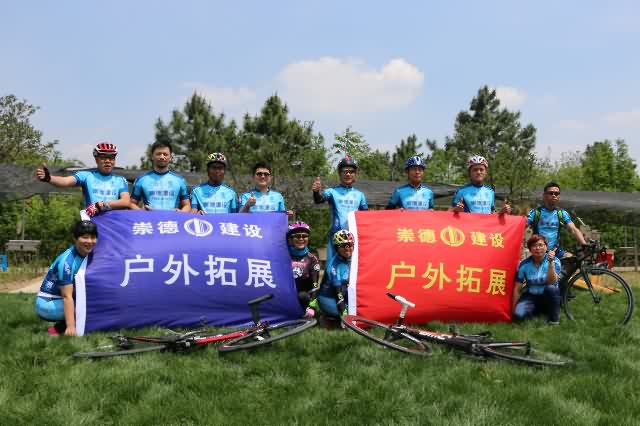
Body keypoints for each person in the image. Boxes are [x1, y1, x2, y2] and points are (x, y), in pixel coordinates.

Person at [35, 220, 98, 336]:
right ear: (75, 238)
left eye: (93, 237)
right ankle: (58, 329)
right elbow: (66, 296)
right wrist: (71, 326)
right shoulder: (67, 262)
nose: (90, 241)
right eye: (85, 237)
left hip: (61, 299)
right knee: (90, 307)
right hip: (47, 302)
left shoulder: (87, 253)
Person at [35, 142, 130, 217]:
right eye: (103, 157)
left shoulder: (120, 180)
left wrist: (100, 205)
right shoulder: (86, 176)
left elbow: (126, 202)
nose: (108, 161)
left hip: (112, 224)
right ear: (96, 160)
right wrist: (49, 178)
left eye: (111, 158)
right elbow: (65, 181)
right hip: (91, 222)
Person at [311, 155, 368, 262]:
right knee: (331, 268)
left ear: (355, 174)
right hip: (335, 236)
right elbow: (319, 200)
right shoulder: (331, 191)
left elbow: (366, 217)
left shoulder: (360, 195)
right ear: (339, 173)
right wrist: (316, 192)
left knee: (353, 268)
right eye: (344, 171)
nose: (348, 174)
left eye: (351, 171)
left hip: (353, 238)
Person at [527, 182, 586, 258]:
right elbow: (522, 227)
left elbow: (574, 230)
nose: (554, 195)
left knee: (571, 259)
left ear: (559, 197)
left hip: (555, 252)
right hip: (538, 252)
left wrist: (584, 245)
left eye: (556, 193)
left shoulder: (562, 213)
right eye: (550, 193)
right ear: (544, 196)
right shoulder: (535, 213)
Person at [512, 234, 562, 324]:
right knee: (518, 315)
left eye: (540, 245)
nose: (538, 248)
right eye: (534, 246)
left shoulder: (555, 261)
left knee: (551, 288)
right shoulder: (524, 265)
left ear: (546, 247)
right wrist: (513, 310)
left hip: (548, 296)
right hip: (532, 296)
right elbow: (517, 289)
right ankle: (537, 312)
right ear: (530, 249)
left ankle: (554, 320)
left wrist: (550, 263)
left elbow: (552, 281)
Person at [130, 141, 191, 211]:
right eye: (158, 154)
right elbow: (131, 203)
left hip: (172, 218)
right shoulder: (141, 180)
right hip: (149, 218)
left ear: (170, 157)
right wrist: (141, 211)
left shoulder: (180, 180)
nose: (162, 157)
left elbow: (187, 205)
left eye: (165, 154)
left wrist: (181, 212)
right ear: (152, 156)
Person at [317, 229, 354, 319]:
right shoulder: (334, 265)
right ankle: (329, 317)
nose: (347, 248)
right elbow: (337, 291)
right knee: (353, 312)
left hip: (344, 293)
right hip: (329, 298)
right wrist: (343, 312)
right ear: (337, 248)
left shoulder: (354, 260)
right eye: (343, 246)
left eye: (350, 245)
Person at [287, 221, 320, 317]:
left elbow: (314, 285)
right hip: (285, 294)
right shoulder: (283, 255)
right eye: (297, 236)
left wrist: (312, 307)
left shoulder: (312, 259)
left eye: (304, 236)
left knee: (303, 296)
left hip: (303, 296)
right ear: (291, 238)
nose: (301, 239)